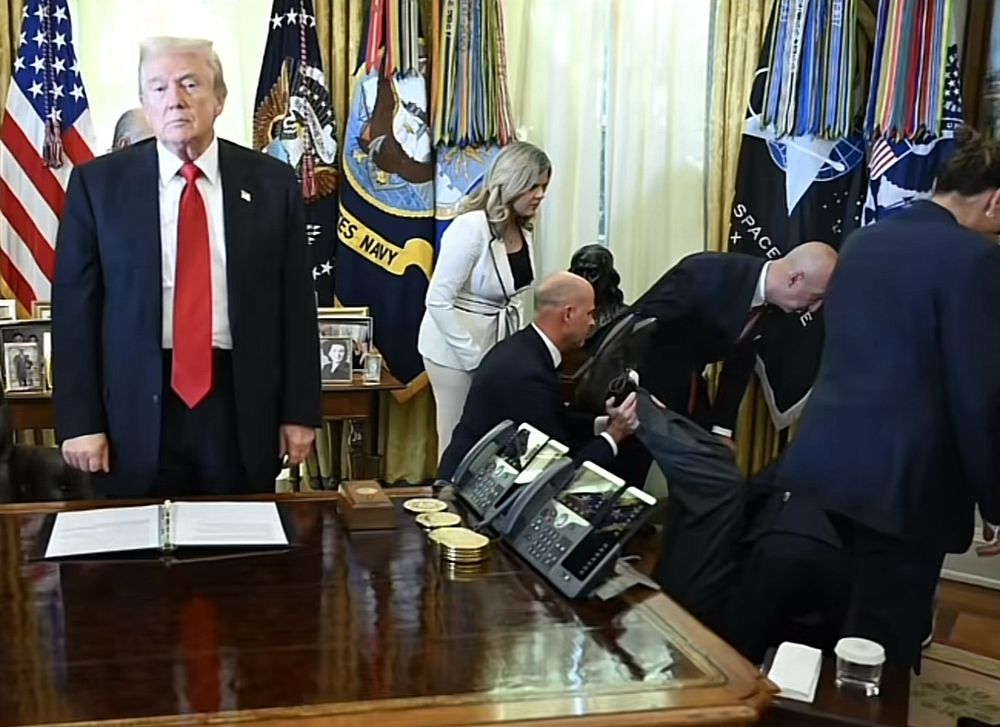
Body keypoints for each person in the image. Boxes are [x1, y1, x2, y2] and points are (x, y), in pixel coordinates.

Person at [53, 37, 321, 497]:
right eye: (158, 88)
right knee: (137, 562)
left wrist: (299, 412)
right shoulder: (98, 186)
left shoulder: (272, 183)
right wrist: (80, 421)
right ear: (144, 102)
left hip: (239, 403)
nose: (173, 99)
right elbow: (76, 312)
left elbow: (295, 307)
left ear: (219, 100)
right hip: (133, 407)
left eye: (189, 84)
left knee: (241, 556)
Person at [773, 129, 1000, 670]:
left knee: (835, 627)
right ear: (995, 200)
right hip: (906, 485)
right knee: (884, 643)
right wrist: (997, 501)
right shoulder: (976, 261)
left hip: (826, 466)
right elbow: (977, 393)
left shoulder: (863, 240)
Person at [419, 141, 551, 462]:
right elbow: (437, 300)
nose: (540, 194)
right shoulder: (471, 227)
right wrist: (473, 359)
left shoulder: (523, 228)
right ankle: (444, 507)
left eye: (544, 186)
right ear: (512, 181)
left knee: (491, 438)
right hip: (453, 351)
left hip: (496, 346)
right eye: (534, 185)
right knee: (456, 441)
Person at [632, 243, 837, 448]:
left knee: (712, 467)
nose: (815, 308)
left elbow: (739, 365)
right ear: (794, 279)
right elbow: (639, 327)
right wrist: (634, 392)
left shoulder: (777, 307)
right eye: (815, 297)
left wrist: (722, 430)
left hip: (685, 393)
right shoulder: (706, 272)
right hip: (637, 390)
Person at [438, 272, 638, 481]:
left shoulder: (523, 348)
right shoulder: (527, 376)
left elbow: (553, 417)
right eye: (589, 314)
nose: (591, 323)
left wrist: (605, 423)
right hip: (464, 493)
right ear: (568, 314)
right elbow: (560, 474)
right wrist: (616, 433)